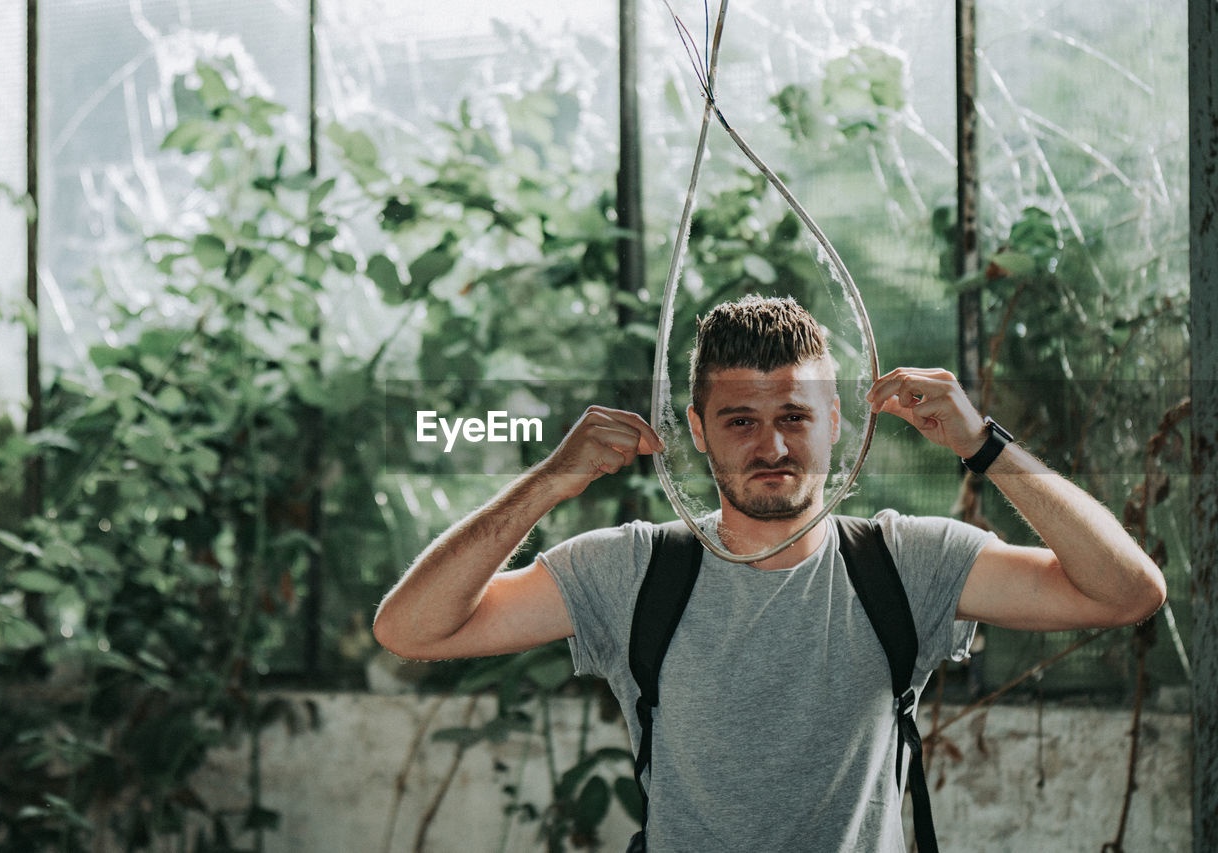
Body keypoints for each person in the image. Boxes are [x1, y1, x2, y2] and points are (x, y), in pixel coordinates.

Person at [372, 295, 1166, 851]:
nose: (772, 447)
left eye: (794, 417)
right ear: (697, 430)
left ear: (835, 424)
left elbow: (1127, 591)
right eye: (740, 420)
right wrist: (548, 479)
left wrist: (984, 445)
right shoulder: (632, 570)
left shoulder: (907, 562)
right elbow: (410, 627)